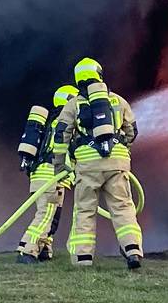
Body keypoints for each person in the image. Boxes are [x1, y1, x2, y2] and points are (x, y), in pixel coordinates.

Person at [57, 57, 143, 269]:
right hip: (117, 163)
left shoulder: (73, 105)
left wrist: (60, 164)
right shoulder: (118, 101)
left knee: (85, 209)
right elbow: (132, 132)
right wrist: (121, 150)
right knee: (123, 207)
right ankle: (132, 250)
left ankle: (83, 258)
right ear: (99, 74)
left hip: (87, 166)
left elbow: (61, 136)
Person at [14, 85, 78, 263]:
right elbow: (69, 150)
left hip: (42, 174)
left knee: (52, 215)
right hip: (52, 174)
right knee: (46, 215)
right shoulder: (65, 123)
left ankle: (44, 249)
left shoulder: (52, 122)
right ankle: (27, 250)